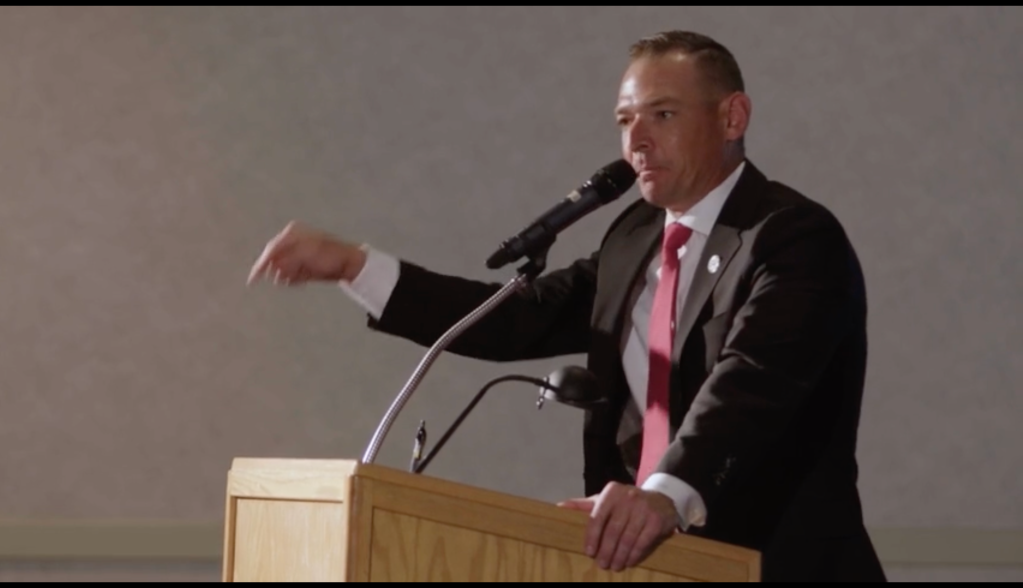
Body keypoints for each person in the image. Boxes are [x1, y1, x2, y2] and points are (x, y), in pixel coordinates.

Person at [247, 30, 886, 582]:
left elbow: (751, 385)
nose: (635, 140)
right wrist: (358, 266)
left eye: (661, 115)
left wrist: (661, 497)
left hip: (777, 562)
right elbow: (513, 320)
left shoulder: (792, 238)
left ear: (732, 117)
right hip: (641, 565)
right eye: (624, 120)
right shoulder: (634, 237)